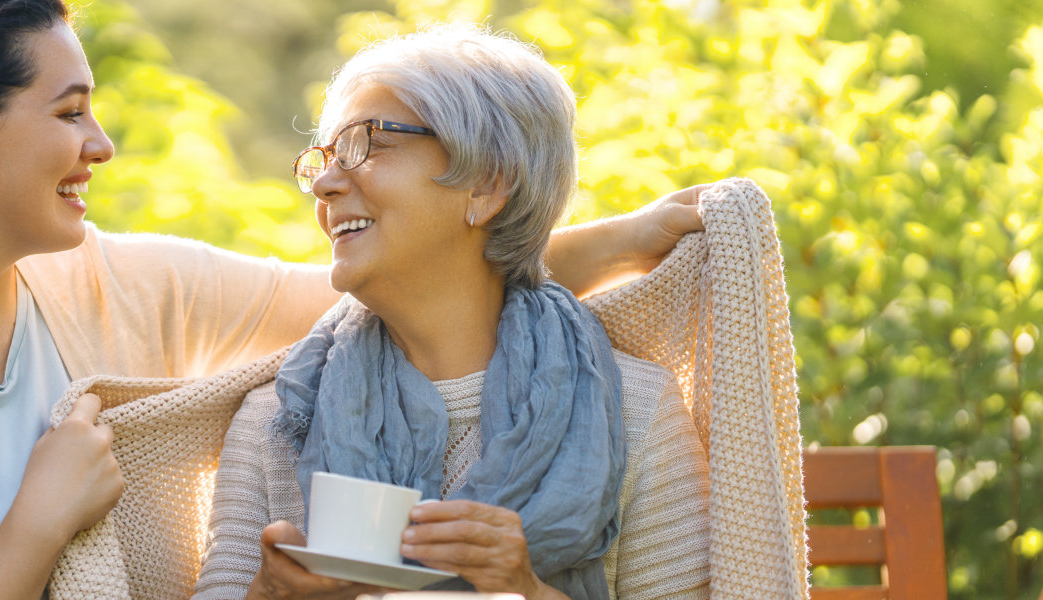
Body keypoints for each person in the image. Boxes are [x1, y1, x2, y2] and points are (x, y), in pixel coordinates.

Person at [0, 1, 704, 597]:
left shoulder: (106, 283)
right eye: (70, 113)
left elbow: (388, 288)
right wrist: (36, 525)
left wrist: (612, 238)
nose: (102, 145)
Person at [194, 25, 711, 599]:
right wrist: (270, 596)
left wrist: (527, 592)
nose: (326, 184)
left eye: (370, 144)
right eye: (326, 158)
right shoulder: (279, 417)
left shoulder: (637, 409)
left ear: (487, 185)